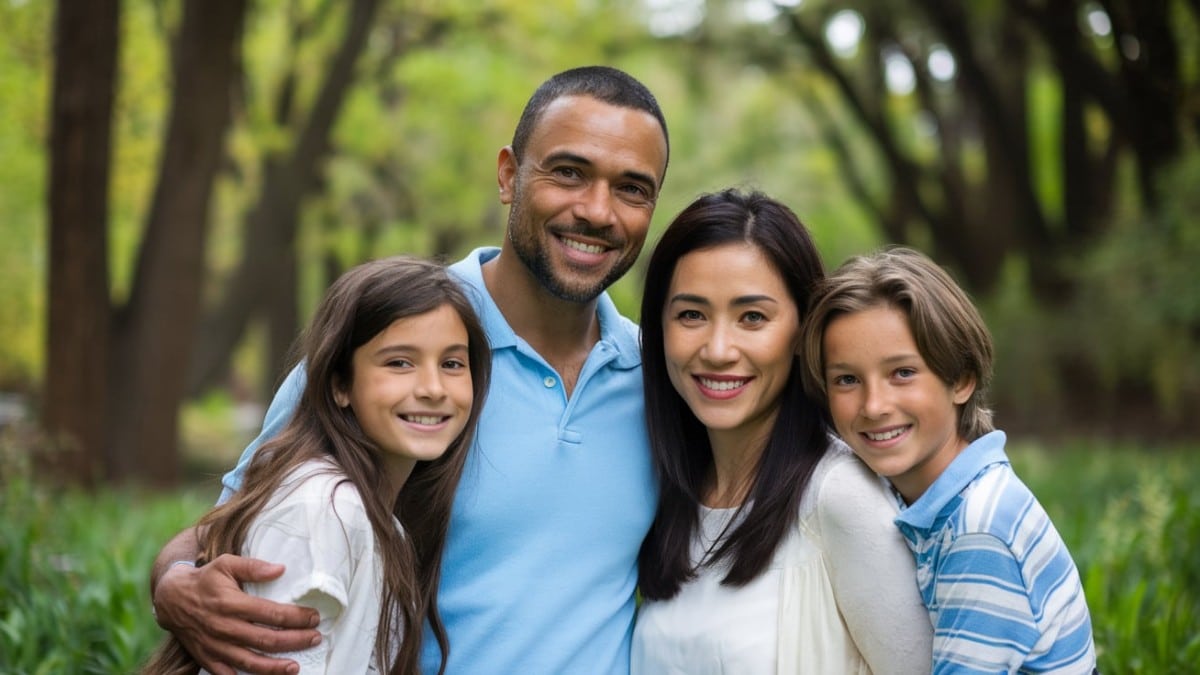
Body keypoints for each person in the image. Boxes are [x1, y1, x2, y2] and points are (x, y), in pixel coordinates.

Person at [150, 65, 670, 675]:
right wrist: (176, 582)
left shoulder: (662, 379)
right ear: (509, 175)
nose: (597, 210)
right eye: (569, 172)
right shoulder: (390, 344)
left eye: (632, 188)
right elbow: (235, 521)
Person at [632, 189, 932, 673]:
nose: (718, 349)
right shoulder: (669, 495)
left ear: (802, 332)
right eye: (692, 315)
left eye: (753, 317)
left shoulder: (837, 495)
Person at [143, 256, 491, 674]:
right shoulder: (324, 511)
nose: (434, 388)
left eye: (452, 363)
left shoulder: (374, 516)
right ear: (339, 384)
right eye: (400, 362)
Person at [800, 246, 1097, 672]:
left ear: (960, 379)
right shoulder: (940, 500)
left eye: (902, 372)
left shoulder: (979, 528)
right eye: (847, 379)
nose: (874, 405)